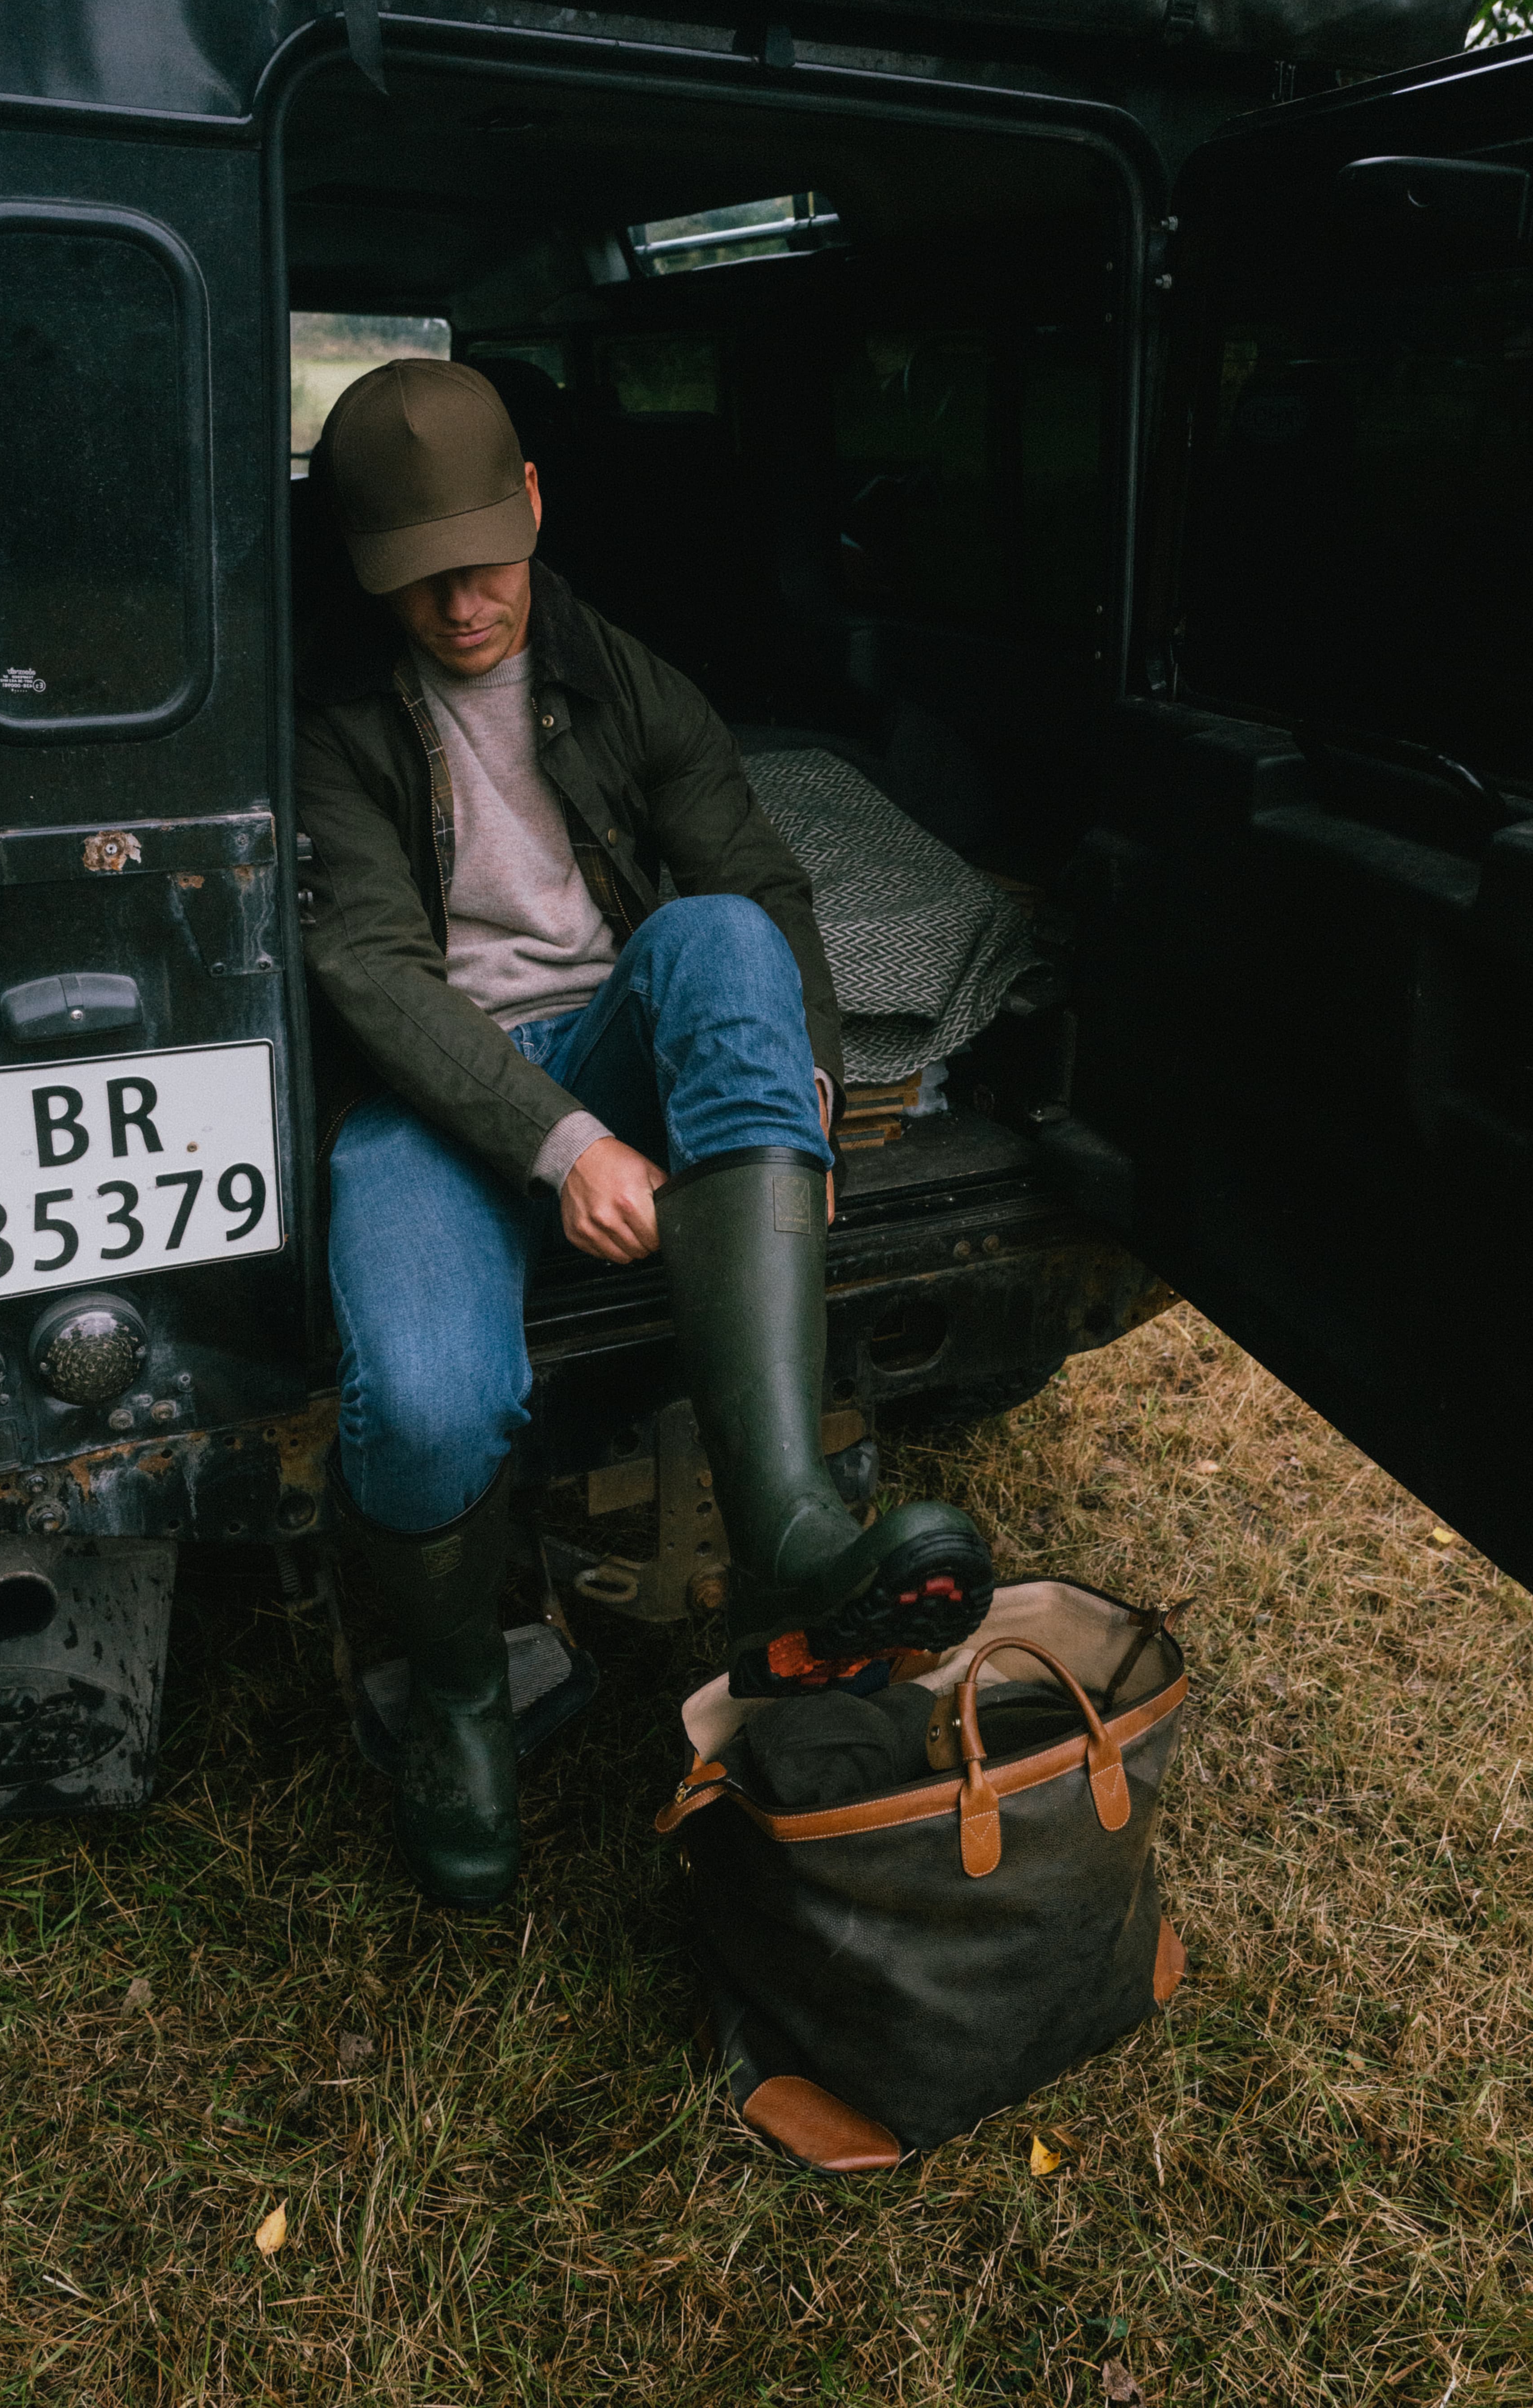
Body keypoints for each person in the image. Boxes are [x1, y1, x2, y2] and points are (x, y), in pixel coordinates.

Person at [294, 359, 993, 1907]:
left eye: (483, 562)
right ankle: (465, 1703)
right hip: (432, 1086)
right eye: (416, 581)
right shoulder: (330, 712)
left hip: (609, 1041)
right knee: (421, 1405)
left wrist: (790, 1077)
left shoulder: (620, 672)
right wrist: (565, 1145)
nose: (462, 606)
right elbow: (373, 980)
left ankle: (791, 1525)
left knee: (728, 937)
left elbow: (765, 880)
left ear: (535, 502)